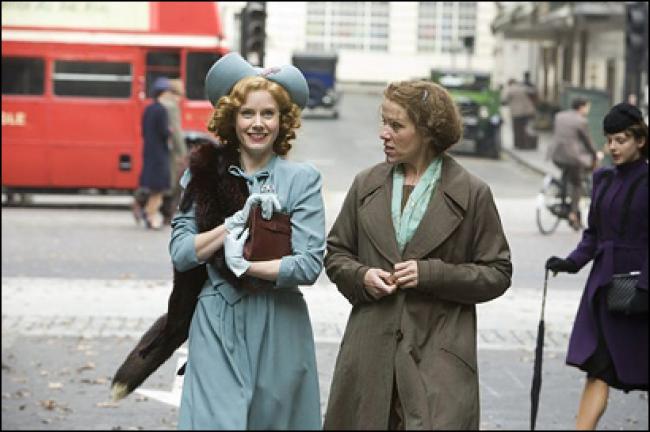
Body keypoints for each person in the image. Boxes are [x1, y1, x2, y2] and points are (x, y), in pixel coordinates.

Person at [323, 80, 513, 429]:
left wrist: (433, 275)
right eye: (384, 122)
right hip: (370, 353)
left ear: (427, 131)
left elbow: (497, 272)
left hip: (438, 356)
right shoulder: (366, 184)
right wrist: (362, 276)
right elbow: (336, 252)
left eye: (396, 126)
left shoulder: (472, 193)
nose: (384, 133)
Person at [169, 53, 325, 429]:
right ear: (232, 119)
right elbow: (181, 252)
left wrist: (248, 266)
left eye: (268, 114)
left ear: (282, 121)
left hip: (279, 323)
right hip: (216, 318)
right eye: (247, 114)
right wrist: (232, 226)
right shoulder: (203, 175)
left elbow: (307, 265)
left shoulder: (301, 179)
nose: (258, 124)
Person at [545, 102, 648, 430]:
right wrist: (571, 262)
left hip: (642, 289)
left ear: (640, 140)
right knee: (599, 367)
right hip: (606, 290)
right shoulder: (603, 178)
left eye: (621, 140)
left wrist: (646, 289)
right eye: (609, 140)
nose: (613, 148)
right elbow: (594, 235)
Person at [547, 97, 599, 230]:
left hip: (556, 155)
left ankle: (562, 191)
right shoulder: (581, 121)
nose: (588, 110)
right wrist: (595, 155)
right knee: (576, 183)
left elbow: (565, 137)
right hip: (571, 157)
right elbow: (588, 142)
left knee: (568, 173)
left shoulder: (559, 116)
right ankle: (573, 213)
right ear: (582, 107)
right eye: (587, 107)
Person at [137, 76, 172, 230]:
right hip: (160, 154)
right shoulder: (162, 110)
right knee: (158, 189)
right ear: (162, 93)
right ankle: (151, 216)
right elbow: (164, 132)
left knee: (153, 188)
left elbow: (144, 131)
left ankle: (148, 213)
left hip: (149, 151)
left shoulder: (148, 109)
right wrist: (169, 131)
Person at [160, 78, 188, 225]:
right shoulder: (172, 106)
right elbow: (176, 131)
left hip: (161, 148)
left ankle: (142, 202)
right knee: (175, 182)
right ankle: (168, 213)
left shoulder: (162, 103)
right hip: (171, 151)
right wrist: (183, 153)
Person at [502, 77, 537, 149]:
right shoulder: (523, 87)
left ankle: (518, 144)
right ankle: (525, 144)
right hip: (528, 111)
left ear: (509, 83)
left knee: (517, 128)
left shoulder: (509, 89)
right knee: (525, 128)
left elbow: (504, 100)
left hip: (516, 113)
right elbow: (533, 91)